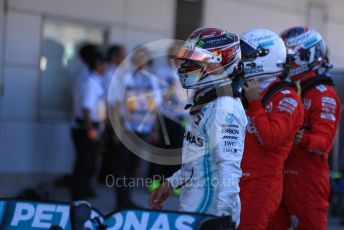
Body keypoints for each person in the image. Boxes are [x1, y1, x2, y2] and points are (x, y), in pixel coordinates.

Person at [148, 27, 247, 227]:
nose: (185, 66)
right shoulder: (205, 100)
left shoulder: (224, 107)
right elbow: (197, 162)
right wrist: (171, 183)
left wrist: (222, 219)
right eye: (186, 60)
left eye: (194, 61)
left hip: (210, 216)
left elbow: (229, 170)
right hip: (194, 213)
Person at [274, 26, 341, 229]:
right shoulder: (286, 90)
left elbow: (323, 143)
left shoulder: (323, 94)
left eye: (290, 57)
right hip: (279, 176)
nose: (285, 62)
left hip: (307, 181)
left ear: (306, 55)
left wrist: (300, 137)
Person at [238, 29, 304, 230]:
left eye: (249, 55)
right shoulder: (250, 89)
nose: (243, 59)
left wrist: (255, 103)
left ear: (265, 56)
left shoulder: (286, 97)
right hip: (239, 179)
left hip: (262, 185)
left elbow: (271, 139)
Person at [109, 47, 162, 209]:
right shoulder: (124, 77)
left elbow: (155, 107)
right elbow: (116, 104)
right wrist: (116, 129)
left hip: (144, 130)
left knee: (134, 167)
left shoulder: (151, 80)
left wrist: (154, 129)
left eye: (144, 58)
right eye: (138, 57)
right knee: (122, 167)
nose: (141, 61)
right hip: (126, 130)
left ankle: (127, 200)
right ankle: (121, 202)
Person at [71, 49, 107, 200]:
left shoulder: (96, 80)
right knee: (84, 163)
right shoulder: (90, 82)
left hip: (93, 127)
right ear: (97, 64)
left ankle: (85, 191)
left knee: (90, 163)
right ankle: (78, 194)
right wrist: (91, 130)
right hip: (85, 128)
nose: (104, 67)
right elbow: (86, 109)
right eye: (103, 64)